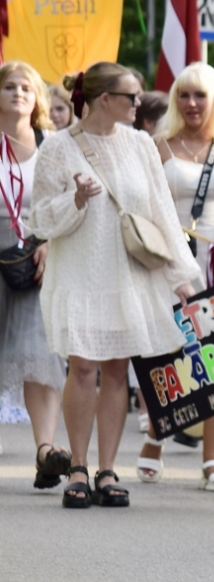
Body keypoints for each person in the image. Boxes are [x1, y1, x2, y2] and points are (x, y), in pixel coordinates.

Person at [32, 62, 200, 507]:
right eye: (132, 97)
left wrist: (181, 277)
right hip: (81, 273)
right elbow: (40, 219)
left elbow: (163, 213)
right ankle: (78, 468)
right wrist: (77, 200)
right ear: (104, 99)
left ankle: (107, 470)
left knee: (117, 370)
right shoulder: (57, 147)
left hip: (129, 273)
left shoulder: (143, 144)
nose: (140, 104)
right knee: (83, 368)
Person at [135, 62, 214, 491]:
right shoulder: (158, 147)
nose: (191, 103)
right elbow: (145, 212)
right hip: (173, 264)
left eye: (200, 95)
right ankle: (155, 435)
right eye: (183, 95)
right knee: (171, 358)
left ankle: (213, 461)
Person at [0, 60, 69, 487]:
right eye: (9, 86)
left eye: (26, 87)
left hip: (35, 256)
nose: (18, 93)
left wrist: (49, 241)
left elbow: (66, 202)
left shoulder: (54, 145)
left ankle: (46, 450)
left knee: (39, 352)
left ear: (38, 98)